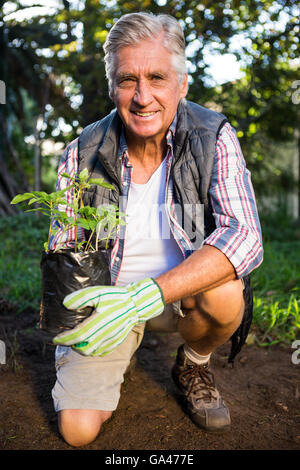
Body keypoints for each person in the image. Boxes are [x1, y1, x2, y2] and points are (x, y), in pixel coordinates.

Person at [50, 12, 263, 447]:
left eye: (157, 78)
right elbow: (64, 250)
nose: (143, 96)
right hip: (109, 304)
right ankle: (117, 350)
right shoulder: (81, 153)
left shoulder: (213, 136)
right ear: (112, 86)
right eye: (128, 79)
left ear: (182, 84)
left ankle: (195, 361)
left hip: (183, 296)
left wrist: (145, 295)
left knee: (225, 291)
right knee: (77, 432)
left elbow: (244, 236)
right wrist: (81, 317)